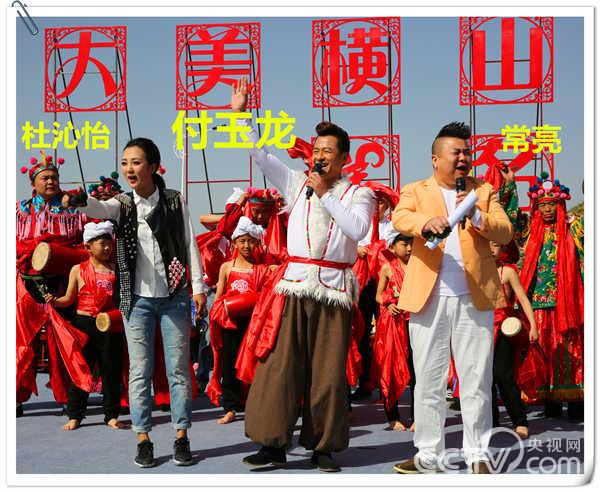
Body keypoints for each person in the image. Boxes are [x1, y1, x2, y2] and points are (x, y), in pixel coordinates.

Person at [231, 77, 375, 472]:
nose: (320, 157)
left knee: (327, 373)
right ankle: (272, 443)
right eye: (316, 151)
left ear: (344, 158)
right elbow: (260, 154)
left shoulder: (357, 194)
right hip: (293, 286)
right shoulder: (296, 184)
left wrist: (325, 191)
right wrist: (242, 115)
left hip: (333, 289)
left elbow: (359, 231)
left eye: (328, 152)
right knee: (279, 365)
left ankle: (323, 447)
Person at [63, 137, 209, 468]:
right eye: (125, 162)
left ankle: (181, 436)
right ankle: (143, 438)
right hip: (136, 299)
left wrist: (198, 287)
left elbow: (189, 244)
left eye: (136, 162)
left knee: (178, 370)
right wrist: (79, 201)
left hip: (174, 297)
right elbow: (97, 208)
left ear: (153, 166)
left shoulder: (174, 201)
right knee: (140, 371)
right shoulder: (122, 203)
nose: (129, 168)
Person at [391, 122, 513, 474]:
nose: (463, 159)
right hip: (428, 297)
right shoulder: (416, 190)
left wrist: (475, 214)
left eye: (466, 153)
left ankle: (478, 455)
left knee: (476, 378)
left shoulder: (484, 191)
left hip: (474, 297)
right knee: (429, 379)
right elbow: (401, 215)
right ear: (435, 158)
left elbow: (504, 232)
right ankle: (428, 455)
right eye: (455, 152)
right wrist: (424, 223)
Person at [16, 152, 88, 417]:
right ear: (33, 183)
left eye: (54, 177)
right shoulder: (19, 210)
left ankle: (68, 396)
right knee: (23, 339)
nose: (51, 182)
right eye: (45, 178)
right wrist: (31, 251)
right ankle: (15, 395)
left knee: (65, 339)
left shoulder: (74, 208)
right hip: (27, 280)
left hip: (64, 280)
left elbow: (88, 239)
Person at [44, 221, 126, 431]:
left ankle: (111, 415)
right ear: (88, 246)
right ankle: (76, 415)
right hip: (84, 325)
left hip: (110, 325)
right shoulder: (77, 270)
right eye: (101, 243)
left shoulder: (117, 270)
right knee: (81, 371)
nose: (107, 247)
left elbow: (123, 299)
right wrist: (54, 301)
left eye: (109, 243)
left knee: (111, 371)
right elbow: (68, 299)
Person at [516, 173, 584, 420]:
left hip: (569, 303)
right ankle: (550, 404)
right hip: (539, 303)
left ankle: (577, 404)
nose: (546, 209)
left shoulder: (573, 227)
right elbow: (510, 220)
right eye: (541, 205)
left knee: (572, 353)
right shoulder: (531, 233)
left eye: (551, 204)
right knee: (545, 353)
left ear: (560, 204)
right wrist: (508, 185)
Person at [206, 216, 270, 424]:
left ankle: (253, 402)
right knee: (229, 363)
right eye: (242, 241)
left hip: (252, 323)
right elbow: (218, 298)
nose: (246, 245)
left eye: (250, 240)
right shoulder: (227, 267)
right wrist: (218, 313)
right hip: (229, 322)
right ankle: (230, 406)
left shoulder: (261, 269)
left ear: (256, 243)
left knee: (252, 362)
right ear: (234, 243)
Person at [352, 183, 399, 402]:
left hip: (384, 285)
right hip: (361, 282)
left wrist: (377, 251)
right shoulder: (358, 226)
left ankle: (386, 383)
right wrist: (358, 250)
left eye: (381, 202)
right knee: (360, 332)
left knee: (385, 333)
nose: (377, 206)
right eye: (373, 201)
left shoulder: (393, 228)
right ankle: (364, 382)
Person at [489, 240, 538, 439]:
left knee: (503, 376)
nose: (492, 248)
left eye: (495, 244)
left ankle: (520, 420)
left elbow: (523, 298)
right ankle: (491, 422)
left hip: (503, 328)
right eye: (487, 244)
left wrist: (533, 325)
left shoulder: (507, 272)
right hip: (478, 329)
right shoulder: (471, 271)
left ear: (503, 248)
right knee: (484, 379)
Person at [373, 228, 414, 432]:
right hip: (393, 325)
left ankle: (417, 417)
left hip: (414, 322)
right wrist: (388, 303)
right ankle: (393, 416)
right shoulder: (388, 268)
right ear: (392, 247)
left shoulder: (419, 267)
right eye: (404, 244)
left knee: (417, 372)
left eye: (411, 244)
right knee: (391, 368)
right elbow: (378, 295)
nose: (409, 248)